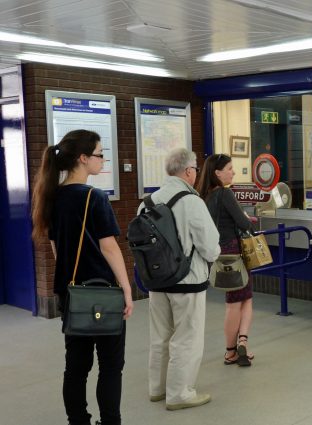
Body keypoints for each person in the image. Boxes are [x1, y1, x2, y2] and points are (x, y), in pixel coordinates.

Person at [31, 129, 134, 425]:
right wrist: (127, 290)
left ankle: (78, 420)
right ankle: (110, 421)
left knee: (76, 366)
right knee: (111, 366)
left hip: (72, 294)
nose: (103, 160)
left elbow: (56, 248)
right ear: (83, 158)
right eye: (100, 154)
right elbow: (109, 248)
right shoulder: (94, 197)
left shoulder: (52, 197)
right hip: (103, 294)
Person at [139, 148, 220, 410]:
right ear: (188, 171)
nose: (196, 173)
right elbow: (209, 246)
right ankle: (180, 393)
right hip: (188, 281)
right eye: (195, 168)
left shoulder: (147, 202)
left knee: (160, 335)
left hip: (156, 281)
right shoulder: (192, 201)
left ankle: (157, 388)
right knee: (187, 337)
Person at [196, 154, 256, 367]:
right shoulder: (224, 193)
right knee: (241, 300)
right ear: (217, 173)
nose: (233, 172)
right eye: (229, 168)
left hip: (218, 252)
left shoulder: (205, 196)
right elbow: (242, 222)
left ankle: (236, 347)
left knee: (236, 300)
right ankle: (238, 344)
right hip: (235, 252)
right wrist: (247, 221)